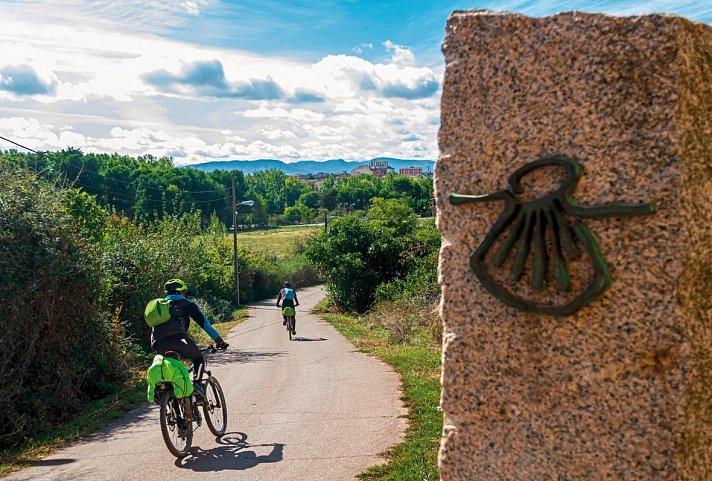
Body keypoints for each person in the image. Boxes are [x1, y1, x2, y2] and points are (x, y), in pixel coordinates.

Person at [150, 279, 228, 396]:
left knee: (167, 369)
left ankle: (167, 399)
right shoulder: (187, 304)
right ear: (182, 292)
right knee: (198, 358)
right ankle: (197, 386)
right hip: (178, 340)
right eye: (185, 292)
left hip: (157, 342)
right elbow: (206, 325)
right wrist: (220, 341)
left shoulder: (160, 306)